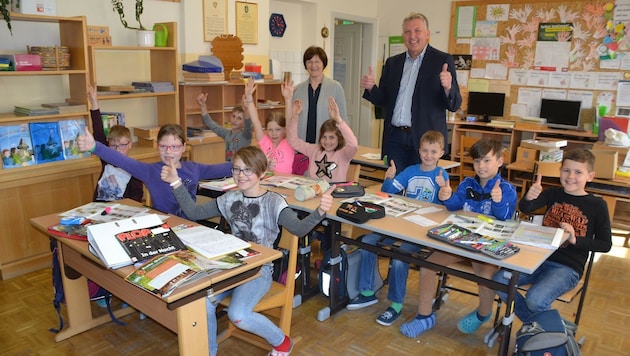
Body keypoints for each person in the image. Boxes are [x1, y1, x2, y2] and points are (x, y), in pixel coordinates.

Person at [160, 145, 335, 356]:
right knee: (201, 302)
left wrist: (321, 211)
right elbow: (194, 212)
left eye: (247, 170)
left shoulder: (274, 202)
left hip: (259, 270)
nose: (240, 175)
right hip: (230, 266)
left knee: (238, 314)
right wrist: (175, 182)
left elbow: (298, 228)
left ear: (262, 173)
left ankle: (282, 342)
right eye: (236, 169)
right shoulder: (229, 198)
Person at [399, 137, 517, 338]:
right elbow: (455, 205)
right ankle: (424, 316)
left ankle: (483, 313)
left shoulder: (506, 189)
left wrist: (497, 201)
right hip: (460, 239)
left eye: (487, 160)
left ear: (500, 161)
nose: (481, 166)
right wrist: (447, 196)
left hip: (486, 245)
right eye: (477, 161)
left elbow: (504, 216)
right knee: (428, 265)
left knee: (486, 277)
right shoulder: (467, 183)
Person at [493, 149, 612, 321]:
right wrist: (528, 196)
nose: (571, 176)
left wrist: (574, 239)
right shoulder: (552, 193)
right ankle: (547, 329)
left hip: (567, 268)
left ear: (590, 176)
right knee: (500, 281)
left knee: (535, 299)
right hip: (537, 258)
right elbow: (525, 208)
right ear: (560, 171)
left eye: (578, 172)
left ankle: (546, 331)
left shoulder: (597, 205)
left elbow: (605, 244)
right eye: (566, 170)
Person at [346, 130, 449, 327]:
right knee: (368, 242)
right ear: (419, 151)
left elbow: (446, 204)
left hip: (422, 232)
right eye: (425, 150)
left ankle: (396, 303)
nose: (428, 155)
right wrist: (389, 178)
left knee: (401, 255)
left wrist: (445, 190)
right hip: (401, 224)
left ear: (441, 153)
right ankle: (367, 292)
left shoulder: (441, 175)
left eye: (433, 152)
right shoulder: (411, 171)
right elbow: (387, 191)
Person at [361, 12, 461, 173]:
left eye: (417, 31)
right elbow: (383, 99)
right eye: (407, 32)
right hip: (395, 138)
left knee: (420, 188)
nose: (412, 36)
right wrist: (371, 88)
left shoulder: (442, 60)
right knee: (394, 187)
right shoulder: (393, 63)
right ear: (403, 36)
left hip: (425, 141)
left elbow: (455, 104)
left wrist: (448, 87)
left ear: (427, 34)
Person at [76, 124, 231, 218]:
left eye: (175, 147)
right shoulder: (150, 171)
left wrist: (254, 159)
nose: (169, 151)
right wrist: (95, 146)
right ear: (158, 147)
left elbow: (224, 168)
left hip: (190, 226)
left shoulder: (194, 168)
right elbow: (121, 160)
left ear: (183, 148)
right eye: (164, 146)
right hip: (163, 226)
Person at [285, 82, 358, 182]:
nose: (327, 141)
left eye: (332, 137)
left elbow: (353, 144)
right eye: (324, 137)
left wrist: (338, 119)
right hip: (313, 190)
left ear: (339, 138)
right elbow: (293, 141)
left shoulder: (343, 154)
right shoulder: (314, 149)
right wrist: (295, 116)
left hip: (333, 193)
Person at [87, 84, 143, 202]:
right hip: (98, 208)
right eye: (113, 146)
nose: (117, 150)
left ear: (130, 144)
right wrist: (94, 104)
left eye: (122, 145)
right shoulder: (107, 161)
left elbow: (137, 196)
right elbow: (98, 133)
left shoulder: (134, 168)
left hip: (121, 211)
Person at [292, 46, 347, 143]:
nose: (313, 65)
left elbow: (343, 119)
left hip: (327, 147)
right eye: (309, 61)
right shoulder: (298, 89)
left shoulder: (335, 87)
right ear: (305, 65)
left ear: (323, 64)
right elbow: (291, 119)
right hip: (302, 146)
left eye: (317, 61)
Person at [244, 77, 294, 174]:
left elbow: (289, 120)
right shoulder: (264, 141)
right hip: (266, 181)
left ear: (284, 130)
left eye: (278, 130)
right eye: (270, 130)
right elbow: (255, 120)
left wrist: (288, 99)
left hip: (285, 183)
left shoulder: (289, 142)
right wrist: (249, 98)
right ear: (265, 130)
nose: (274, 134)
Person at [198, 93, 253, 161]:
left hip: (242, 168)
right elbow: (210, 123)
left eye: (239, 118)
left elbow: (248, 122)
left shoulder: (245, 135)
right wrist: (203, 105)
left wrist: (246, 109)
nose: (235, 120)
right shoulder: (226, 133)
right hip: (229, 167)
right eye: (233, 116)